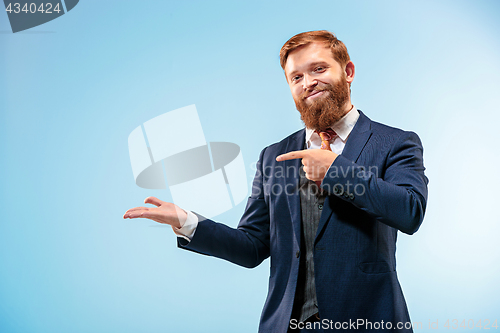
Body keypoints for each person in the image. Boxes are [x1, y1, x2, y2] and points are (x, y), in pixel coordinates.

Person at [123, 30, 428, 333]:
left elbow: (410, 211)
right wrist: (188, 222)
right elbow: (253, 246)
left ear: (348, 71)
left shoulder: (395, 142)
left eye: (319, 69)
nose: (308, 82)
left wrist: (336, 170)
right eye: (296, 78)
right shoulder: (274, 157)